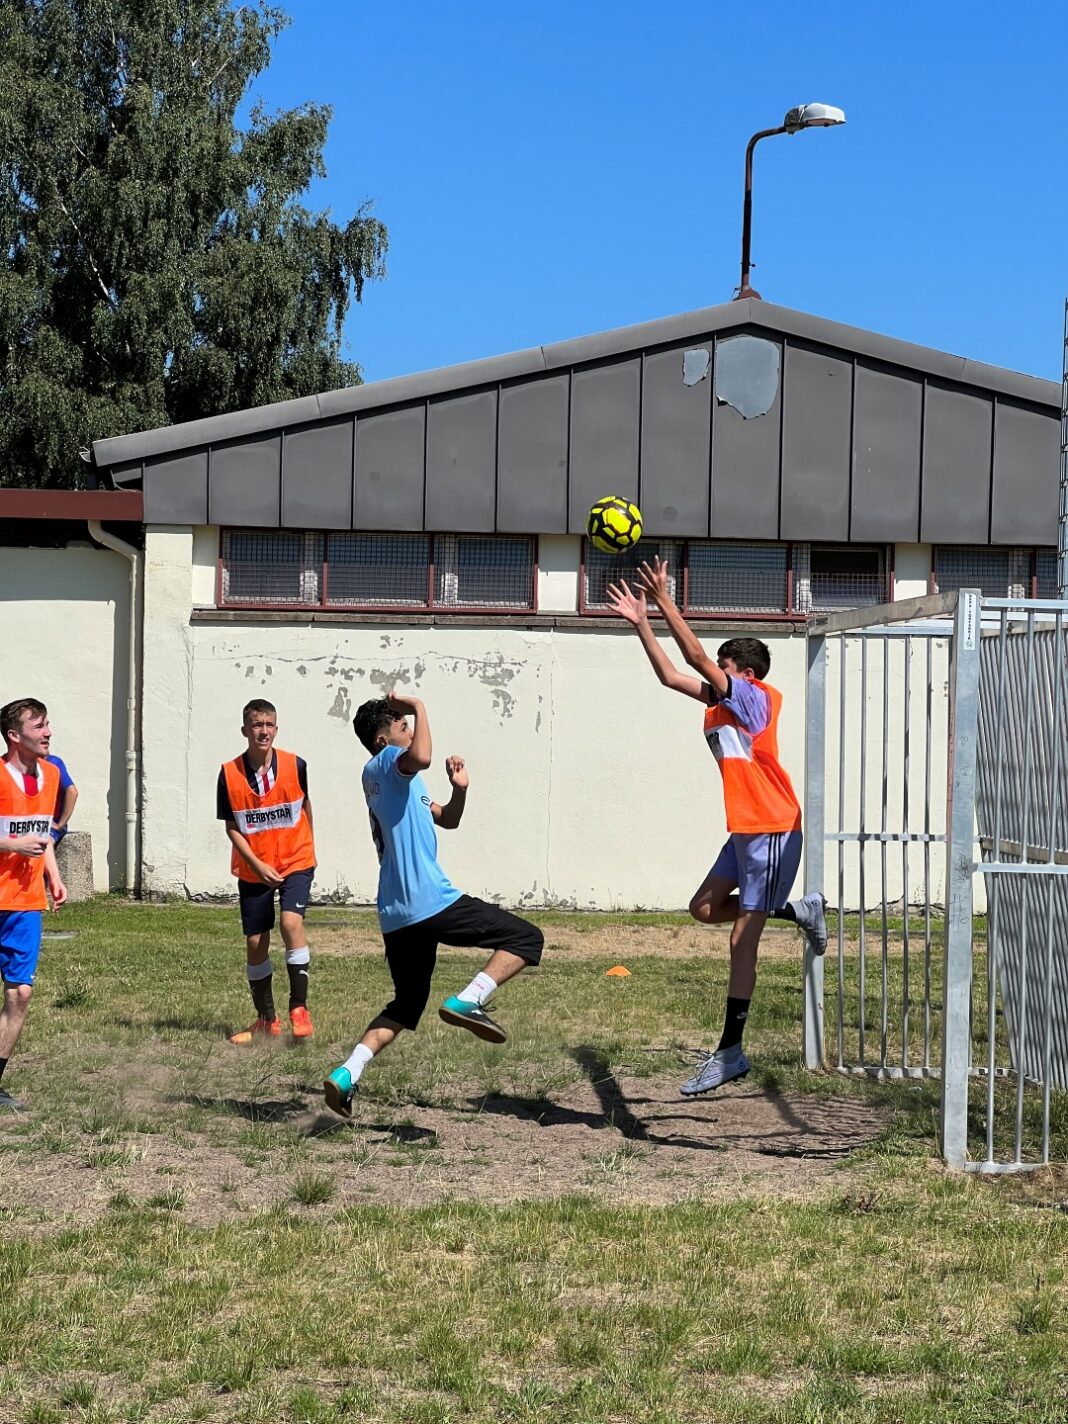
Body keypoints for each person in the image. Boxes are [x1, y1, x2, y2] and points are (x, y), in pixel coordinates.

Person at [606, 558, 826, 1096]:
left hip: (774, 826)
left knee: (740, 942)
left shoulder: (754, 698)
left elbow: (697, 656)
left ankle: (730, 1052)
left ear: (743, 673)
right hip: (746, 830)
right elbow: (670, 674)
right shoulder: (724, 702)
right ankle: (800, 909)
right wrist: (641, 624)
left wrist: (664, 599)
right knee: (703, 907)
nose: (713, 676)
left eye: (723, 668)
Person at [322, 692, 544, 1118]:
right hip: (428, 900)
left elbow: (449, 818)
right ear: (385, 739)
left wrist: (459, 792)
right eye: (403, 727)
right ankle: (468, 1000)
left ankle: (348, 1073)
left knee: (405, 1006)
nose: (412, 733)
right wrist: (420, 705)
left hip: (396, 915)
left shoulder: (399, 781)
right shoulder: (387, 763)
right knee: (525, 937)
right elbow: (421, 755)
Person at [217, 699, 316, 1043]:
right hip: (253, 868)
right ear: (245, 730)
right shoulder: (228, 773)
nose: (263, 730)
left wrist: (308, 850)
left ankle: (299, 1008)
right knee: (256, 942)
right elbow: (232, 826)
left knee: (291, 924)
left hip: (295, 861)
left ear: (277, 728)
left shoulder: (296, 764)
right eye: (256, 724)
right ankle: (266, 1020)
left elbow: (305, 808)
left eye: (269, 724)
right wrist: (257, 865)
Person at [0, 699, 68, 1110]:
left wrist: (53, 875)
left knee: (20, 993)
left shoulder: (53, 774)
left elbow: (41, 835)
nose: (47, 733)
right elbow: (19, 837)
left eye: (47, 725)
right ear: (14, 736)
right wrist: (10, 843)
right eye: (39, 726)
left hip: (26, 899)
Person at [45, 752, 78, 845]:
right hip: (31, 824)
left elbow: (72, 792)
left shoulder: (52, 763)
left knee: (42, 846)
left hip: (50, 826)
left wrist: (60, 824)